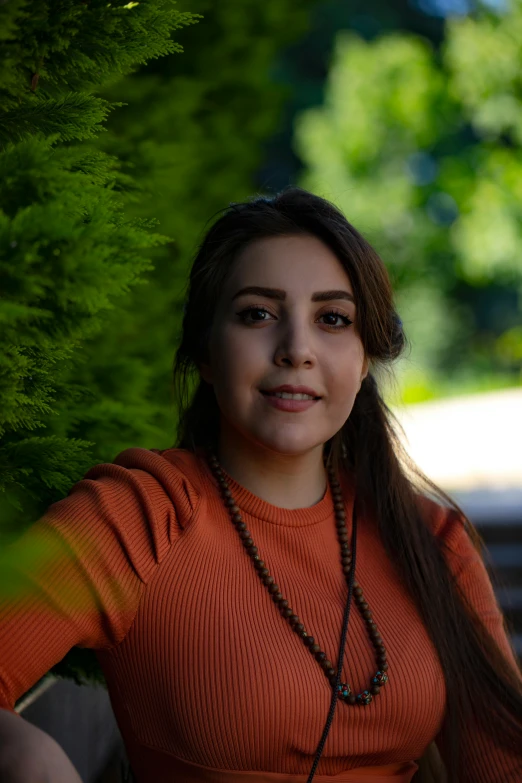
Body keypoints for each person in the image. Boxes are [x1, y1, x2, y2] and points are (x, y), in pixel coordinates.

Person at [0, 187, 521, 783]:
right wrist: (24, 755)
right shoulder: (141, 517)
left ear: (364, 357)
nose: (296, 350)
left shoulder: (432, 540)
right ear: (205, 352)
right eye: (258, 314)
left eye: (332, 319)